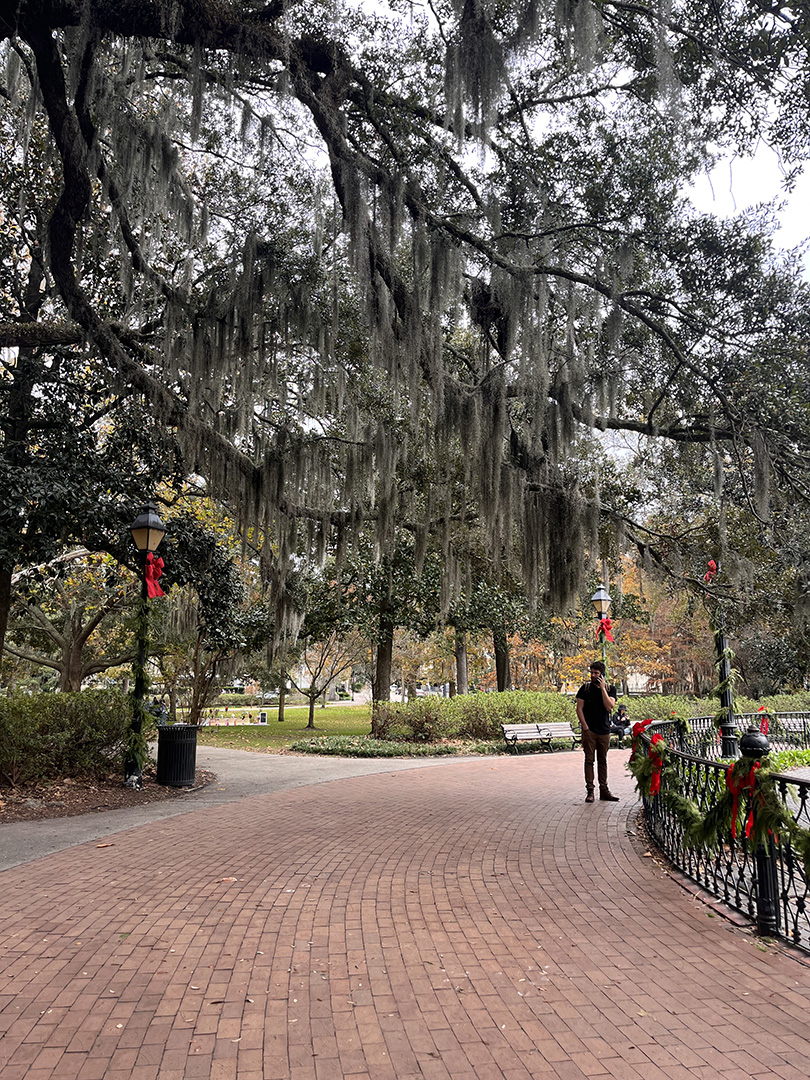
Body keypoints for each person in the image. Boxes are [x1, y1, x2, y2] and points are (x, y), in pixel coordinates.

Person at [575, 660, 619, 802]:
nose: (593, 675)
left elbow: (609, 706)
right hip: (590, 731)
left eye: (596, 673)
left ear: (602, 674)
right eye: (591, 672)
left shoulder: (611, 689)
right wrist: (585, 727)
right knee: (589, 760)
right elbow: (579, 709)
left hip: (604, 731)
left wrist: (603, 689)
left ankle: (604, 790)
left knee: (602, 760)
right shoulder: (585, 688)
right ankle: (590, 791)